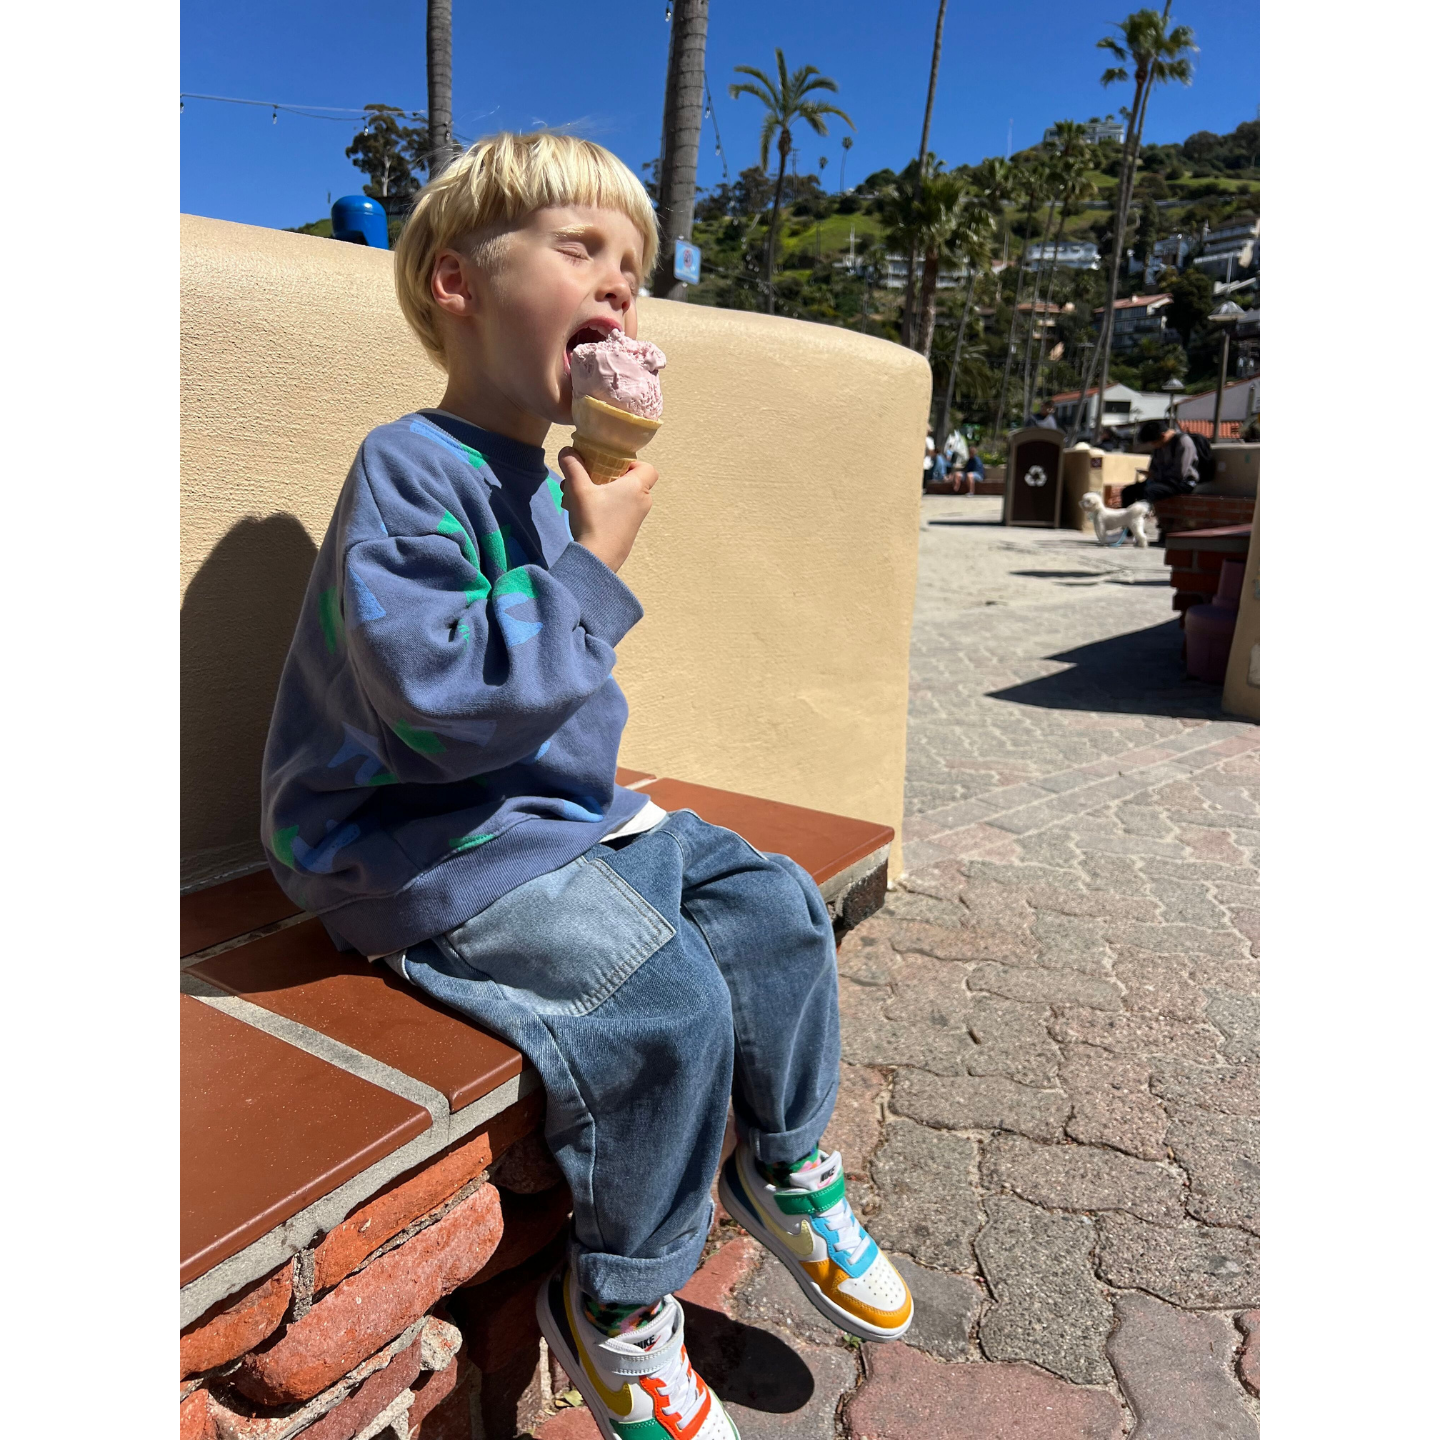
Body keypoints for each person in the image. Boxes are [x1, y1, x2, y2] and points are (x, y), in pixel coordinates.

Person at [259, 131, 912, 1440]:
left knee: (774, 907)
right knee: (660, 999)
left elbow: (554, 691)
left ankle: (780, 1167)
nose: (619, 288)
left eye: (636, 268)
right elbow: (442, 709)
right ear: (458, 283)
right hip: (413, 844)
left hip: (550, 817)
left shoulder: (559, 485)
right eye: (582, 252)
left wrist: (588, 538)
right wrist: (601, 553)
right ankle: (616, 1306)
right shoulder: (413, 470)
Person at [1122, 418, 1200, 506]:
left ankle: (1145, 517)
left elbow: (1179, 473)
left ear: (1163, 436)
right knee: (1128, 491)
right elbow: (1153, 466)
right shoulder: (1159, 447)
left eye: (1154, 442)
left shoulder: (1182, 442)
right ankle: (1128, 518)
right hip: (1161, 480)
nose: (1153, 445)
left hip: (1181, 482)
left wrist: (1155, 475)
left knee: (1149, 492)